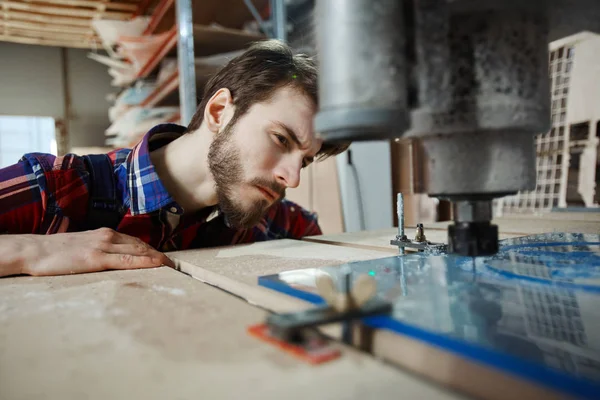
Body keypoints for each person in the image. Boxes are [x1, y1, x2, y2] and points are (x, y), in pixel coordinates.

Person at [0, 40, 349, 278]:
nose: (293, 178)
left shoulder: (272, 222)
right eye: (281, 139)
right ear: (218, 112)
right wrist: (29, 249)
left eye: (304, 161)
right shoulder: (55, 189)